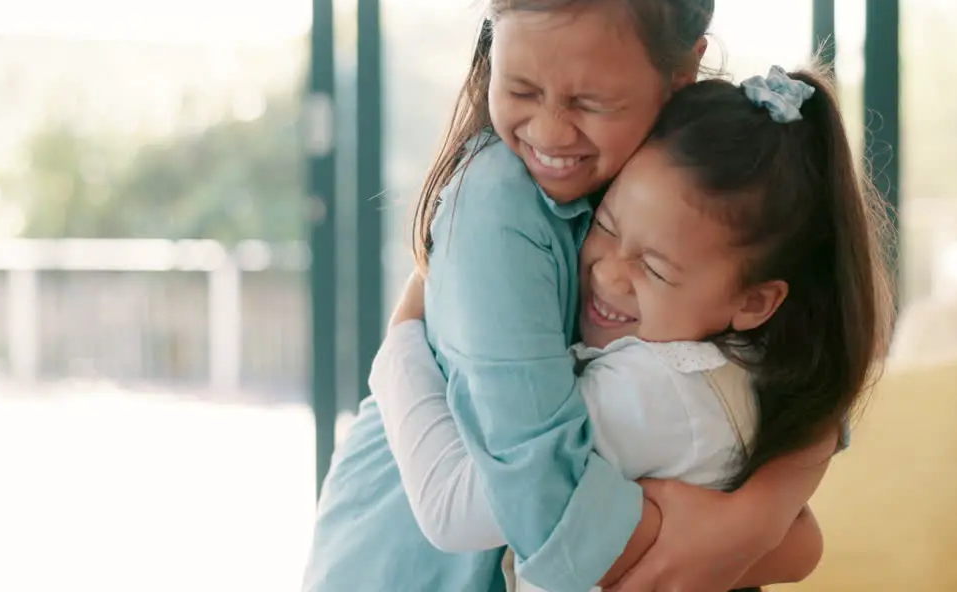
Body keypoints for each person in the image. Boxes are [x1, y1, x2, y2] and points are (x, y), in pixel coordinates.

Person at [303, 0, 881, 591]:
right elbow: (547, 504)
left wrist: (763, 515)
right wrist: (767, 540)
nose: (547, 133)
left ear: (681, 75)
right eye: (519, 89)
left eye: (589, 101)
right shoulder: (500, 204)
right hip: (406, 564)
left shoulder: (681, 170)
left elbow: (792, 370)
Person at [370, 69, 892, 591]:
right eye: (606, 225)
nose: (608, 273)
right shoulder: (744, 367)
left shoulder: (650, 394)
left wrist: (399, 346)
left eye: (656, 269)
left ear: (755, 302)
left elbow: (450, 508)